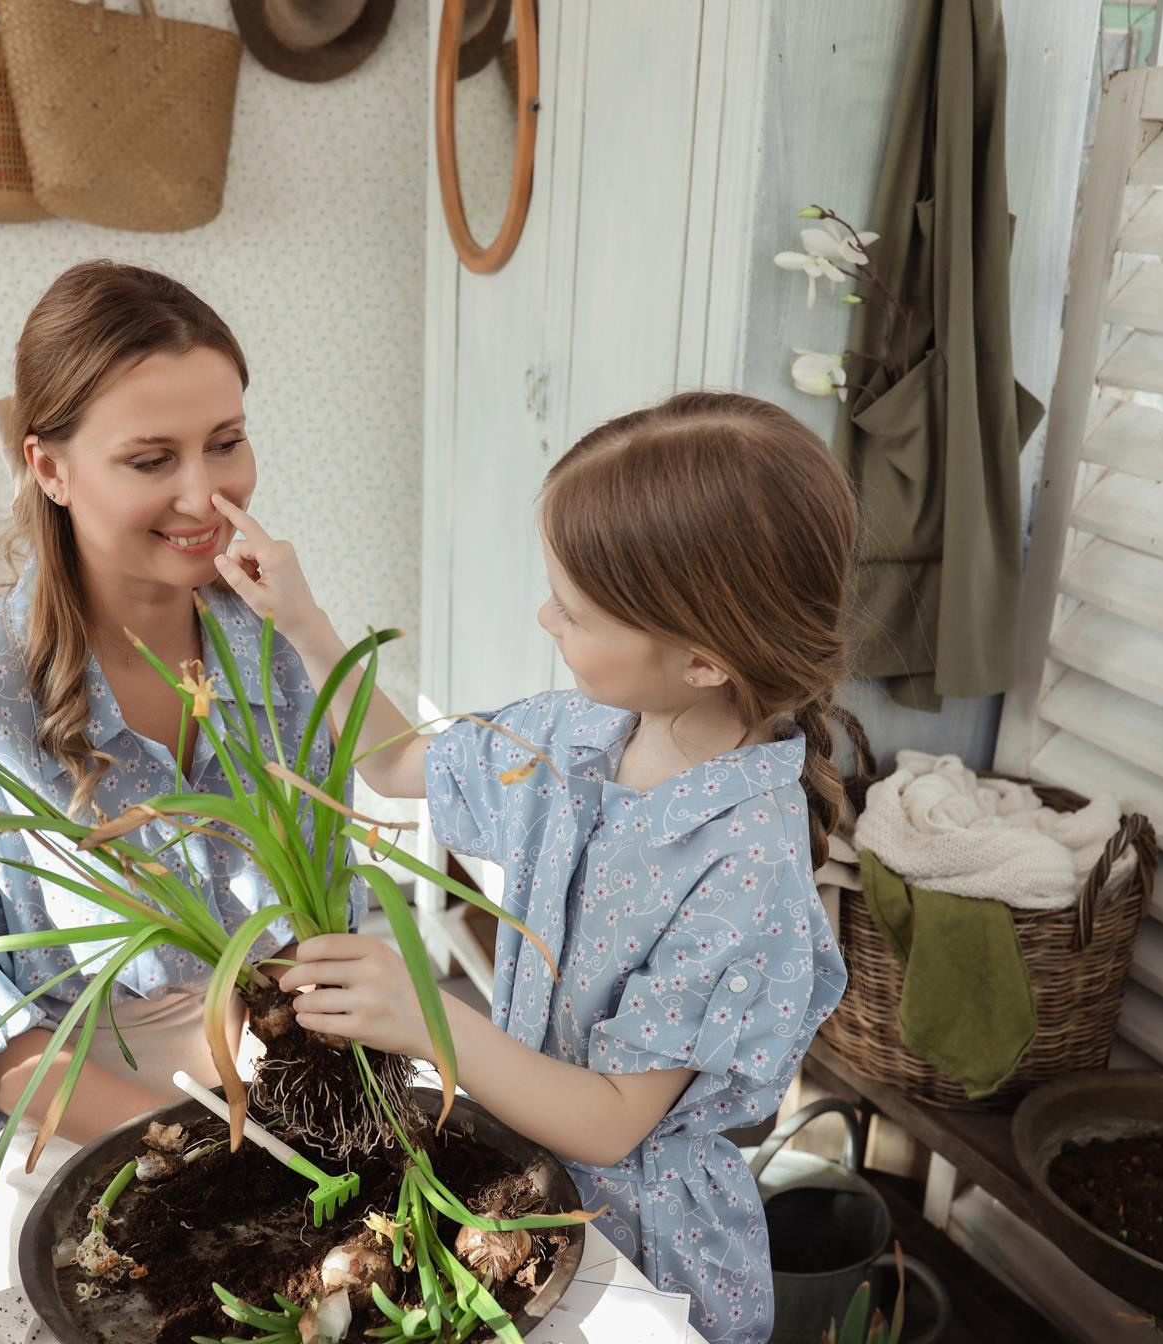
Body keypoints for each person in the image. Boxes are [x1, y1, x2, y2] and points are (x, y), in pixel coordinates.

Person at [212, 390, 854, 1344]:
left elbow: (608, 1127)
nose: (546, 614)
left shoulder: (742, 865)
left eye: (579, 609)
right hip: (520, 1175)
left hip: (632, 1242)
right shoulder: (576, 735)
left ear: (704, 660)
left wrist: (431, 1019)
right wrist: (304, 622)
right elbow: (394, 763)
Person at [0, 260, 354, 1287]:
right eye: (149, 459)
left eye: (226, 442)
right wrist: (222, 1150)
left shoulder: (264, 642)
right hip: (55, 1099)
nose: (203, 494)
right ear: (48, 467)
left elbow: (325, 912)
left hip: (257, 1066)